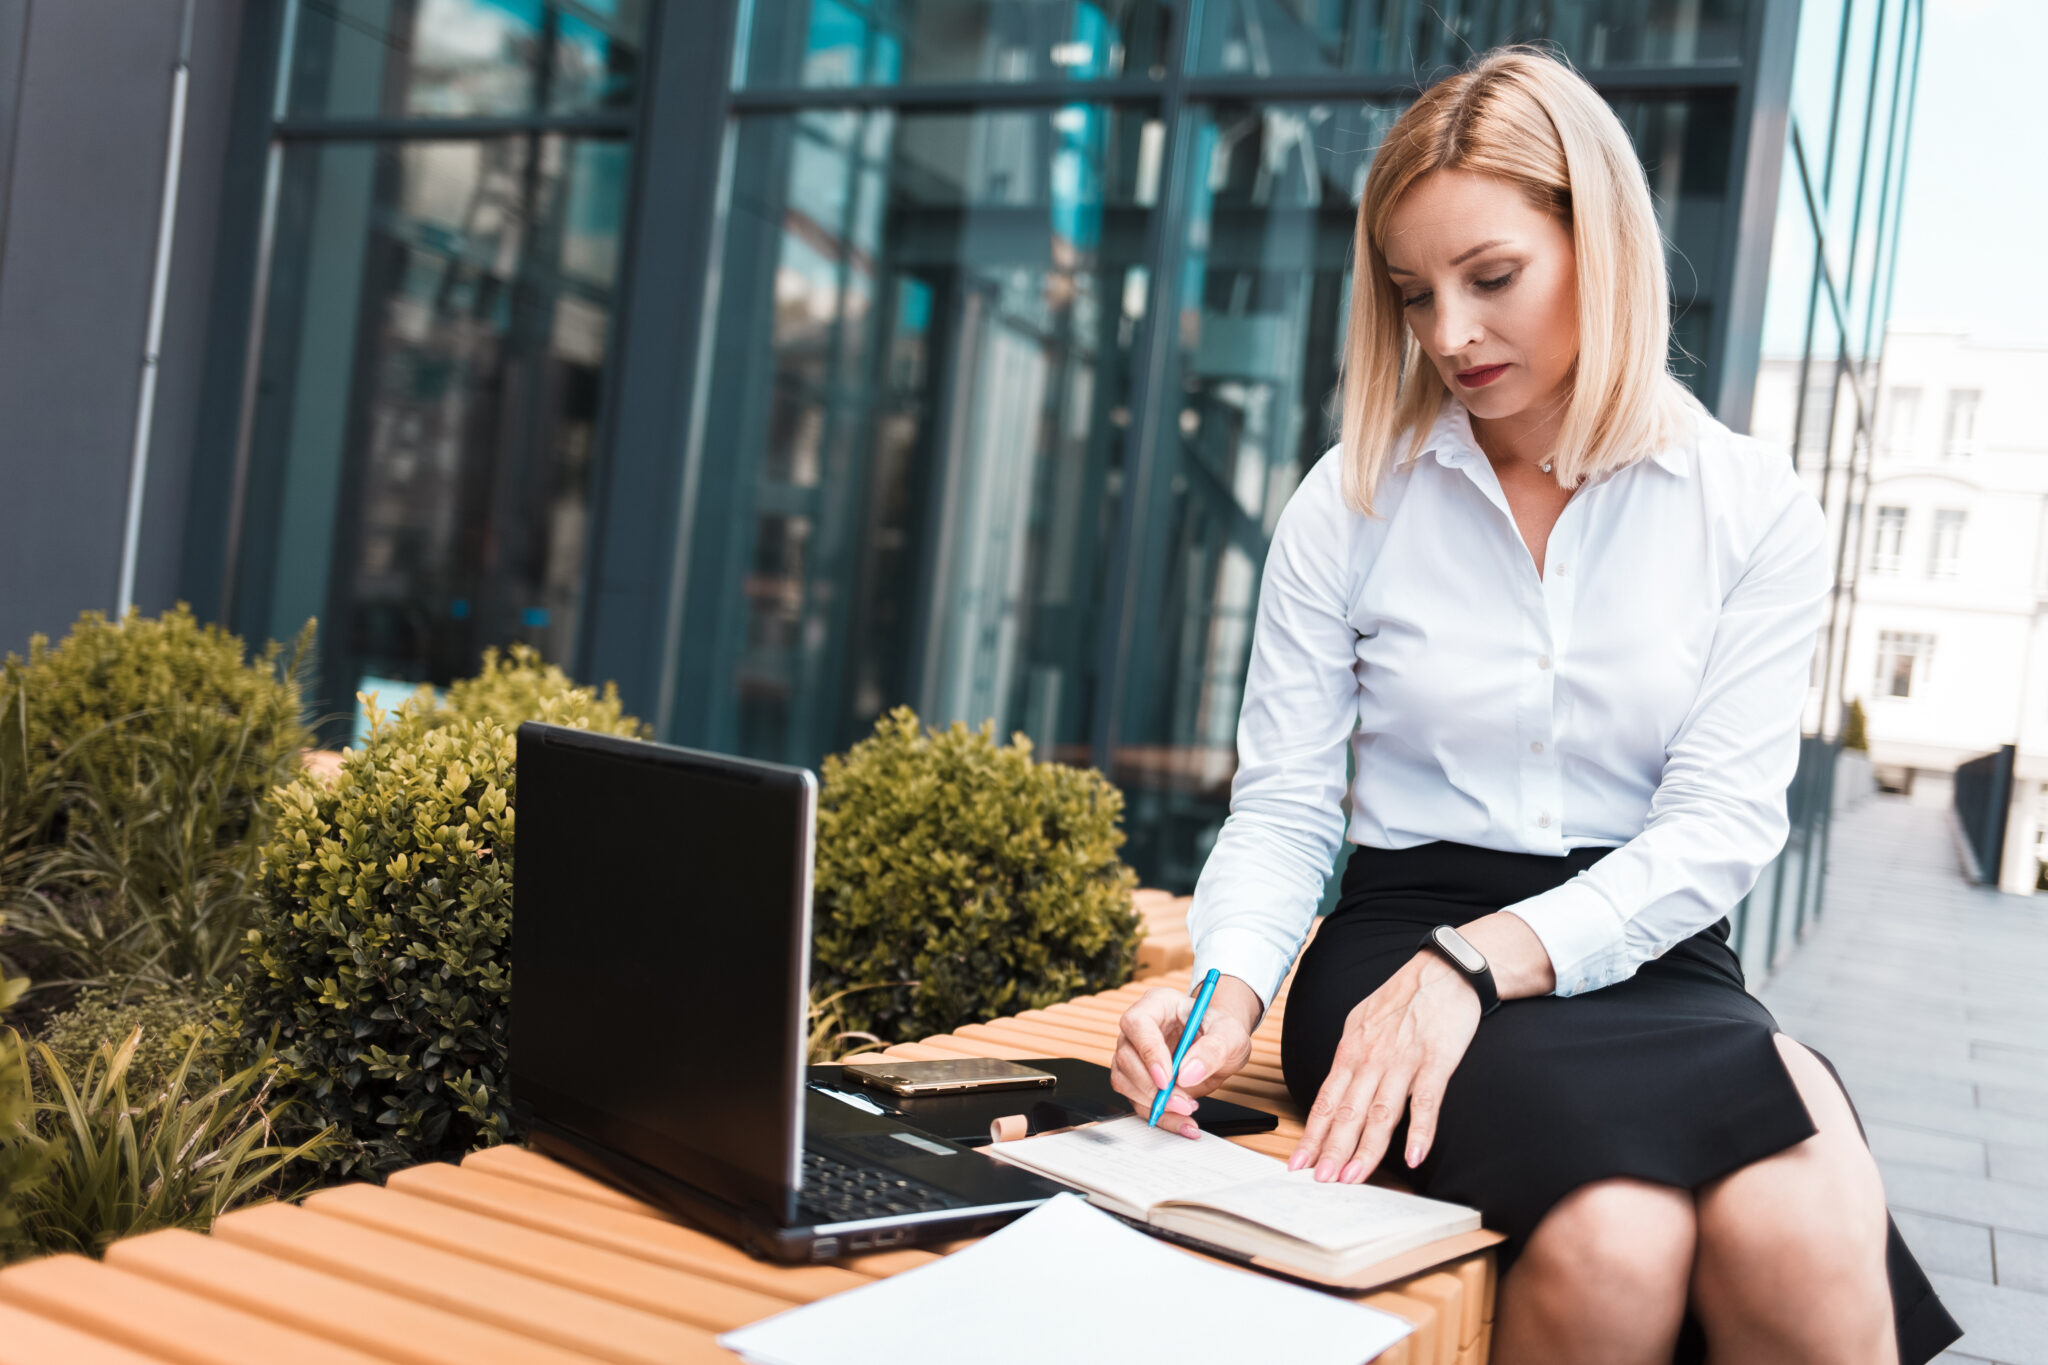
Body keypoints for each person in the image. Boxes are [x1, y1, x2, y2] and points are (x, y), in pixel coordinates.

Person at [1107, 46, 1962, 1365]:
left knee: (1795, 1232)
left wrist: (1482, 961)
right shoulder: (1351, 501)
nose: (1449, 332)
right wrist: (1224, 989)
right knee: (1619, 1238)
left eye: (1491, 277)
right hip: (1395, 950)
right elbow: (1283, 809)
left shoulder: (1751, 510)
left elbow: (1718, 829)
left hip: (1650, 954)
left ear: (1595, 245)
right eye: (1413, 294)